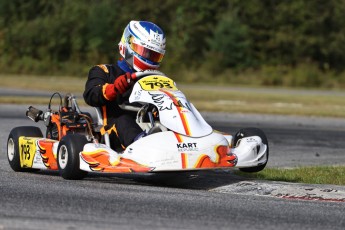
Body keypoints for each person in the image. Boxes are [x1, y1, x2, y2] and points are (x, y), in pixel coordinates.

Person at [83, 20, 166, 151]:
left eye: (155, 56)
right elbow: (91, 94)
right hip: (113, 132)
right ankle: (143, 145)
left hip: (149, 127)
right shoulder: (104, 71)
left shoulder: (155, 79)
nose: (149, 58)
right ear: (128, 45)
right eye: (145, 52)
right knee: (123, 120)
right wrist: (113, 89)